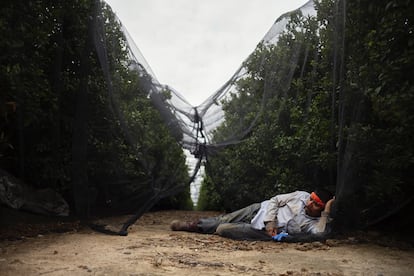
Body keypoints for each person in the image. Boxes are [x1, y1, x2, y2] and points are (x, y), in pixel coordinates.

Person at [170, 190, 335, 241]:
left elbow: (319, 234)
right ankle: (190, 226)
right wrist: (270, 221)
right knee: (225, 218)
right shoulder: (301, 195)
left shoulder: (314, 223)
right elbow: (276, 200)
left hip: (260, 232)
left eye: (315, 204)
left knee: (222, 228)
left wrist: (327, 212)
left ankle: (212, 228)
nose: (308, 203)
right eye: (311, 199)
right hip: (259, 210)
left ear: (321, 209)